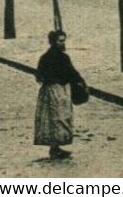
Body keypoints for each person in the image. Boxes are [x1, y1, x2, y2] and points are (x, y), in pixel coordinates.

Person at [34, 30, 83, 161]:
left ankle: (54, 148)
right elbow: (71, 73)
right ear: (53, 42)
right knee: (60, 117)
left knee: (52, 119)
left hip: (48, 90)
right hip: (57, 90)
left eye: (64, 40)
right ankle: (55, 149)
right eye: (60, 41)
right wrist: (79, 82)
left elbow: (39, 76)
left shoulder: (44, 57)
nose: (63, 43)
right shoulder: (62, 57)